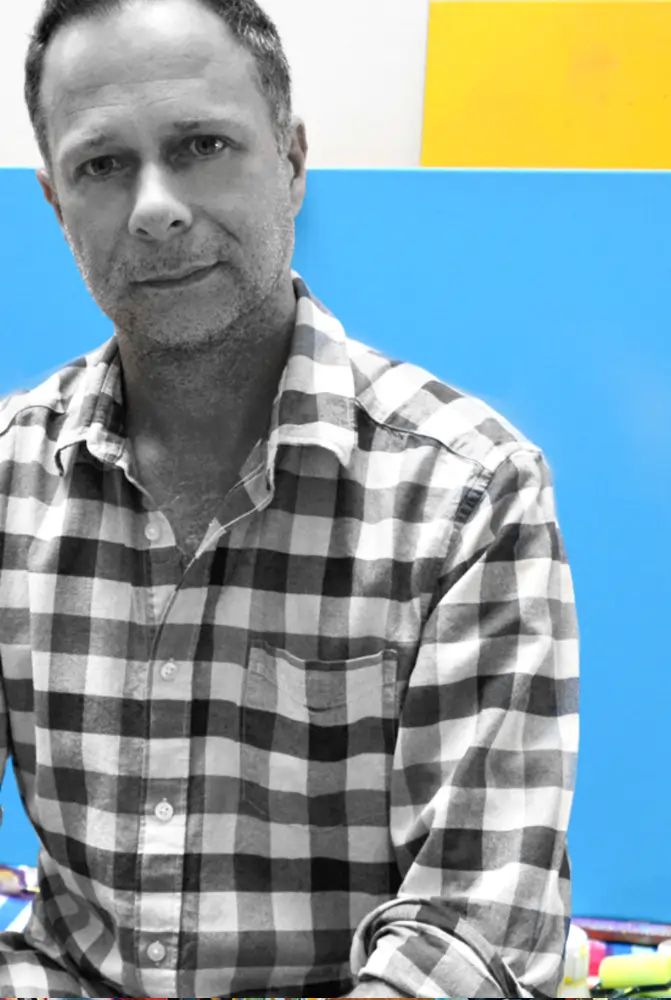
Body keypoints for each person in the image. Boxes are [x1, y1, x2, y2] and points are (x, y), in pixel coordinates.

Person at [0, 0, 580, 995]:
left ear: (293, 162)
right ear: (57, 205)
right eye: (103, 165)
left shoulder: (471, 494)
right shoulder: (10, 478)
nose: (154, 207)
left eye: (202, 145)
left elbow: (469, 934)